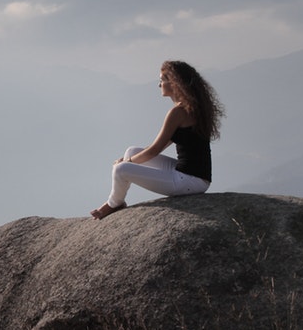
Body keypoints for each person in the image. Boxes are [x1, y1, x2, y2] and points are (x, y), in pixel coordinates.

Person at [91, 60, 225, 220]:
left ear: (174, 83)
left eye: (162, 80)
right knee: (132, 151)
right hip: (193, 176)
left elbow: (155, 150)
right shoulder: (191, 108)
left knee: (120, 170)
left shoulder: (178, 112)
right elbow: (159, 146)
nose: (159, 85)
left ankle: (114, 203)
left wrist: (126, 163)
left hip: (190, 181)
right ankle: (118, 197)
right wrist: (129, 159)